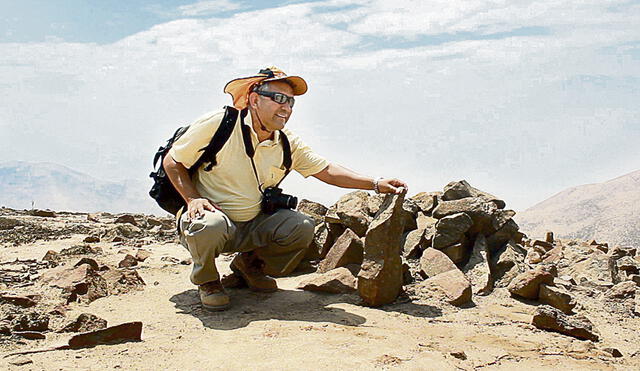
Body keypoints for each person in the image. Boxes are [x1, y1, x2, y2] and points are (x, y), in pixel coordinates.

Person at [163, 67, 407, 311]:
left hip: (253, 223)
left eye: (290, 101)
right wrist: (192, 198)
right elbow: (172, 161)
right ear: (254, 99)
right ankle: (207, 281)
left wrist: (375, 184)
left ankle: (248, 267)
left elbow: (327, 170)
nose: (286, 108)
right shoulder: (220, 124)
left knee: (301, 227)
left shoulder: (287, 142)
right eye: (278, 98)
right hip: (212, 223)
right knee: (209, 225)